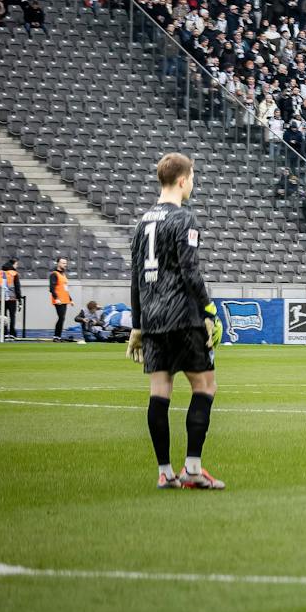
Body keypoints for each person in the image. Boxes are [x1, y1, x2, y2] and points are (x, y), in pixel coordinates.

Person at [129, 152, 224, 489]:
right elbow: (190, 271)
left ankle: (165, 472)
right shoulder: (184, 219)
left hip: (153, 320)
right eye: (193, 177)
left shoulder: (142, 222)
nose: (193, 183)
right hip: (183, 316)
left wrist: (137, 326)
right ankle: (193, 470)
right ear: (183, 180)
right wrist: (209, 310)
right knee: (205, 386)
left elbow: (136, 277)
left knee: (160, 391)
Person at [0, 258, 21, 339]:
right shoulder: (14, 273)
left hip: (1, 299)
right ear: (12, 265)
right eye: (16, 264)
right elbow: (17, 288)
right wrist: (19, 301)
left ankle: (4, 333)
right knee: (12, 316)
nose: (17, 266)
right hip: (12, 298)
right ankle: (12, 333)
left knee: (3, 316)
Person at [48, 257, 72, 340]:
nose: (65, 265)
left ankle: (58, 336)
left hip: (65, 299)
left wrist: (70, 299)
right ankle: (56, 336)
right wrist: (56, 298)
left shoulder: (63, 275)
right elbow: (52, 288)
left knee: (62, 318)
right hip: (59, 300)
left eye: (65, 263)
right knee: (61, 317)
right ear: (58, 263)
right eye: (63, 263)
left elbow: (65, 288)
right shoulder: (54, 274)